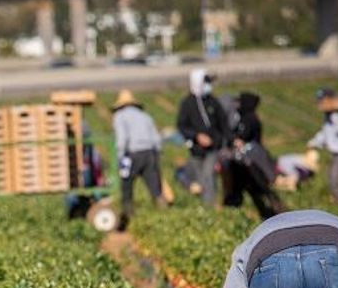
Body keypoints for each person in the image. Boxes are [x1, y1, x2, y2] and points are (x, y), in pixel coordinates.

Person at [226, 92, 286, 219]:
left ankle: (274, 210)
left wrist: (236, 140)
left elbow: (243, 137)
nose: (238, 105)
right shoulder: (243, 118)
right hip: (245, 161)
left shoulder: (251, 119)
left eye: (240, 102)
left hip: (252, 161)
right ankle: (267, 211)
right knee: (252, 189)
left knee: (259, 187)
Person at [112, 89, 164, 230]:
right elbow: (156, 138)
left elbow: (122, 139)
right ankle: (164, 216)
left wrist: (120, 157)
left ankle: (129, 218)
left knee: (127, 186)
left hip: (132, 154)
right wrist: (157, 155)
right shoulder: (145, 116)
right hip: (149, 153)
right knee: (155, 187)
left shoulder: (120, 116)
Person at [176, 68, 229, 206]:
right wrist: (196, 136)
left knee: (208, 175)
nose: (208, 85)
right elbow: (181, 126)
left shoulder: (212, 101)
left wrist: (224, 141)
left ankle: (210, 206)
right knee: (201, 178)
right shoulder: (187, 104)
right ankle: (205, 205)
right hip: (196, 149)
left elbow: (223, 123)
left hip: (213, 148)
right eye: (206, 82)